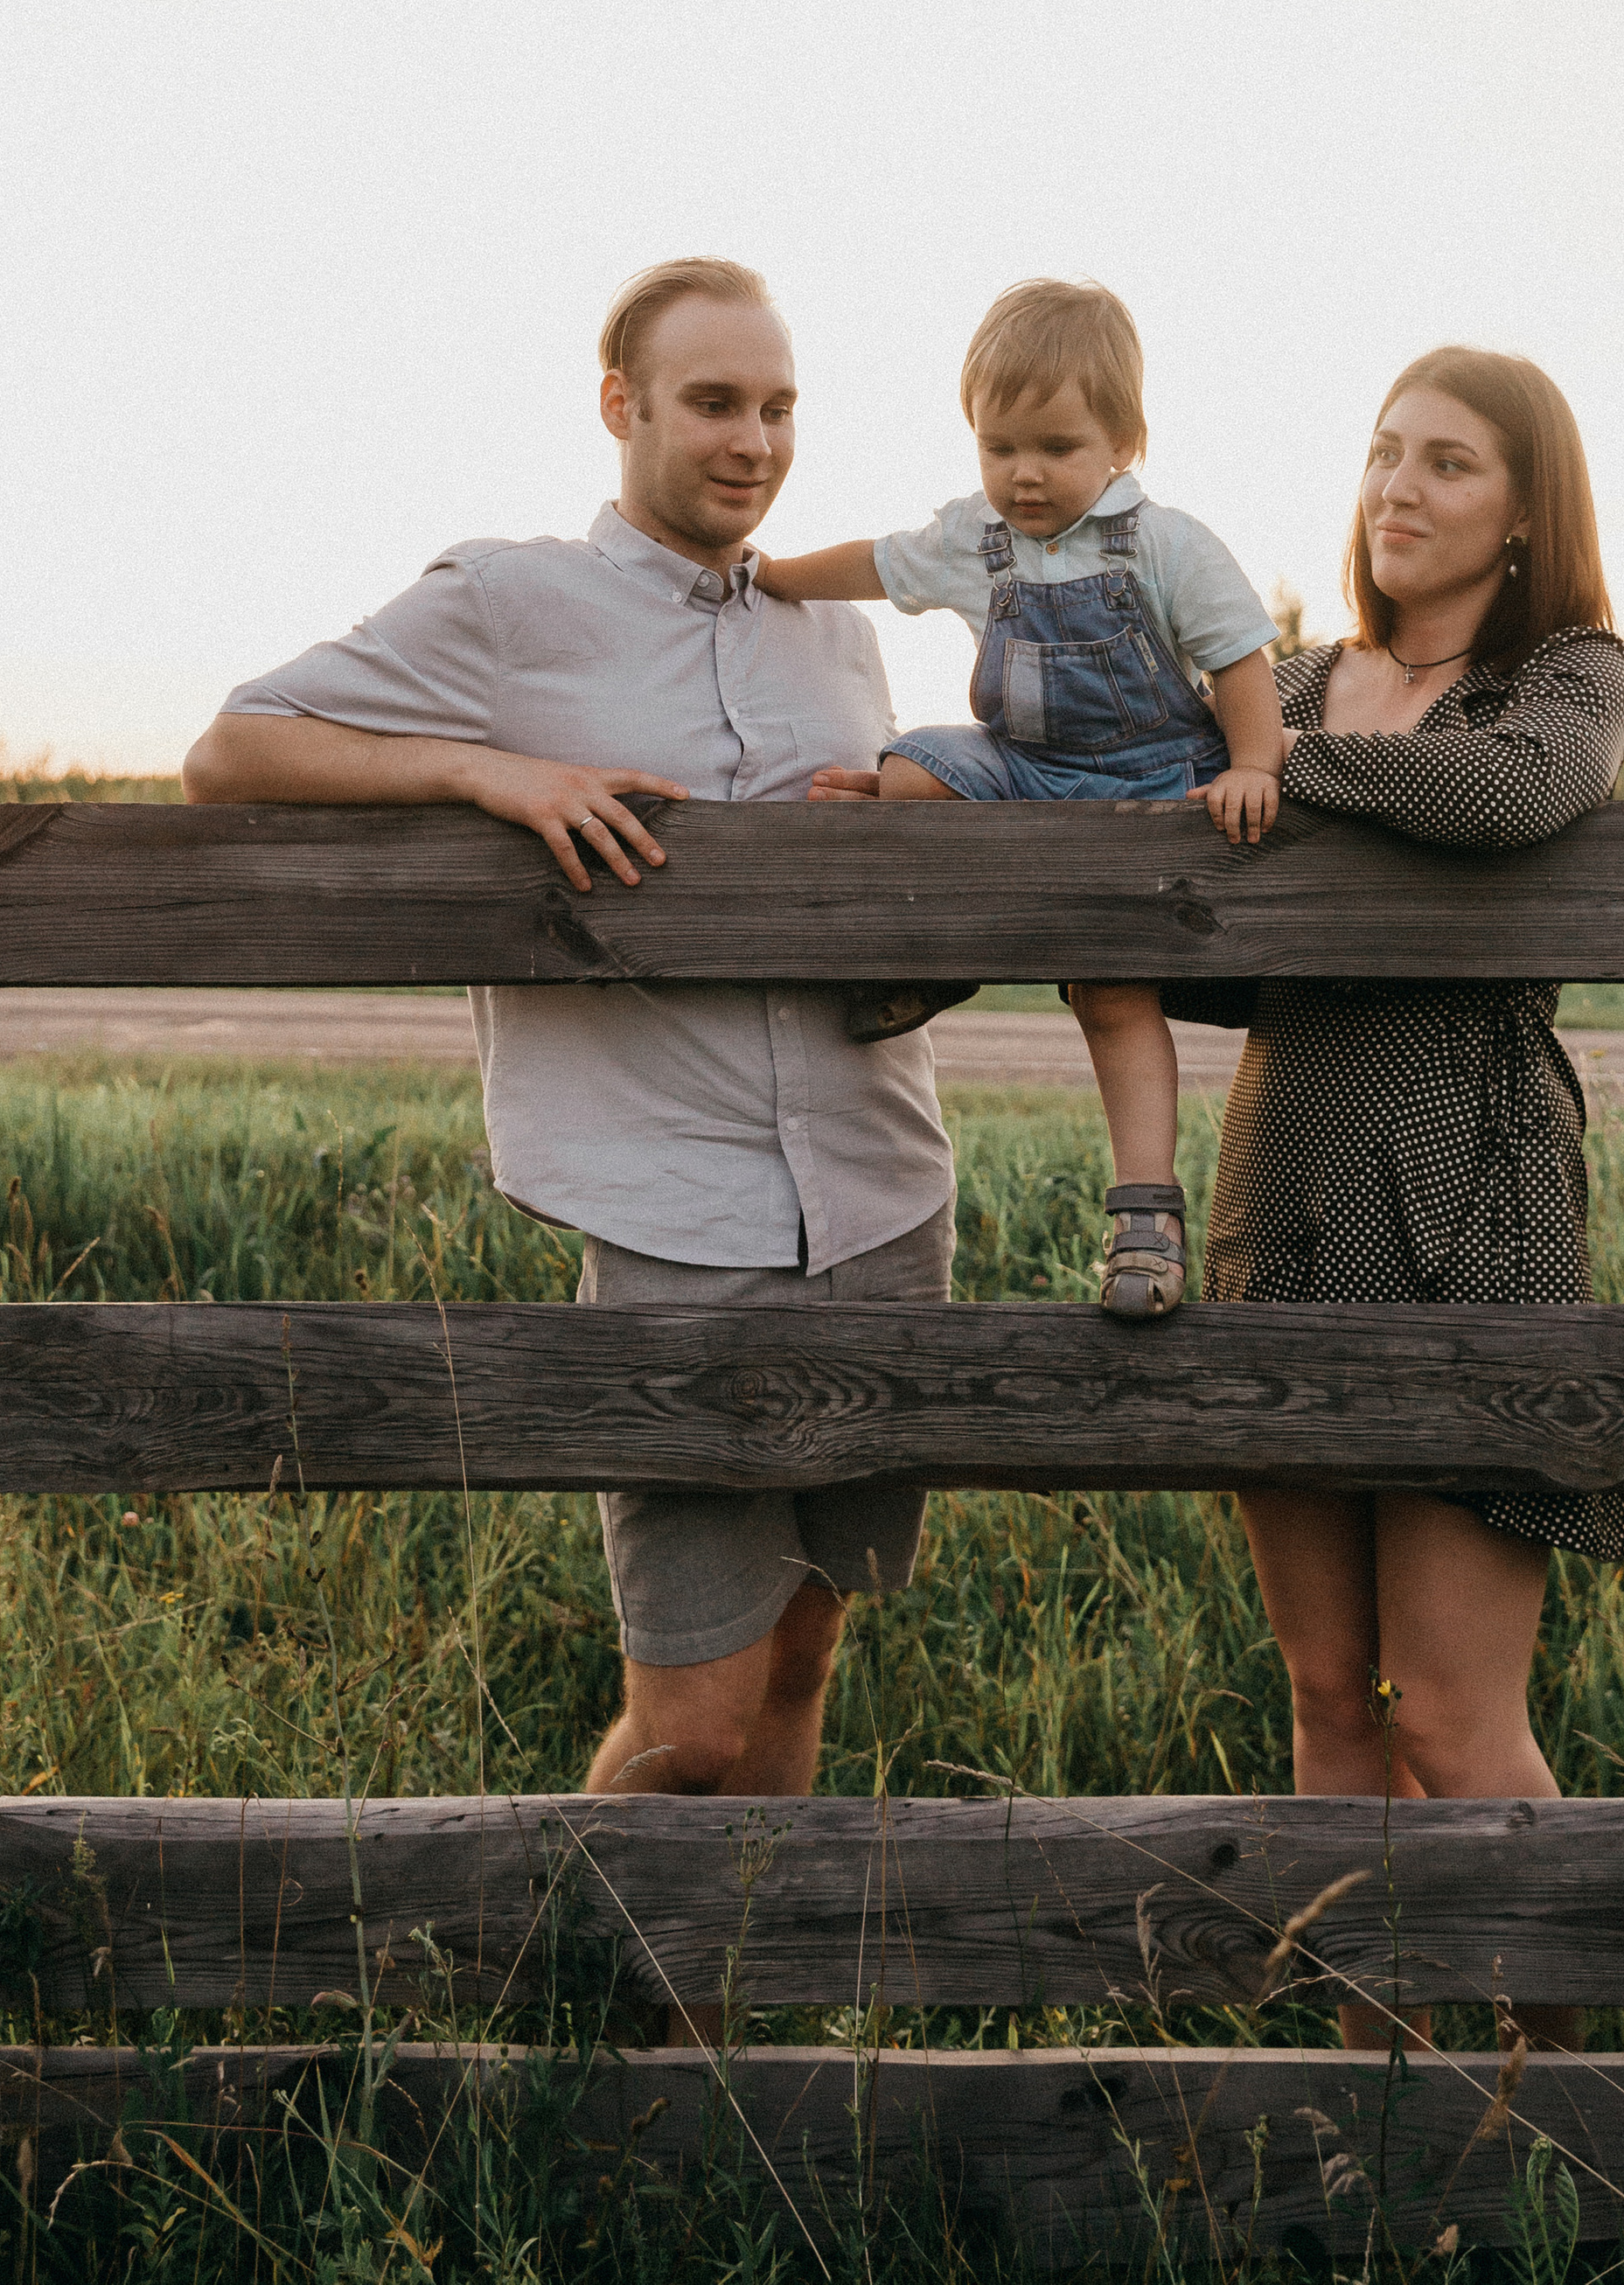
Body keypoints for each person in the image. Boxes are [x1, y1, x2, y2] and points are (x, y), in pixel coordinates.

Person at [181, 255, 958, 1839]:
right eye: (715, 404)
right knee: (695, 1731)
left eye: (781, 407)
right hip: (674, 1215)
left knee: (807, 1663)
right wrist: (488, 774)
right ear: (623, 406)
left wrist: (905, 818)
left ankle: (722, 2046)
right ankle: (589, 2038)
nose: (754, 441)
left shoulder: (833, 627)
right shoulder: (508, 600)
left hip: (884, 1194)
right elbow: (234, 746)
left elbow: (895, 865)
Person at [1194, 345, 1624, 2052]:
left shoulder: (1562, 675)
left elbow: (1516, 795)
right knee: (1325, 1701)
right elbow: (1157, 856)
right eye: (1384, 453)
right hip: (1286, 1196)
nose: (1398, 487)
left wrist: (1281, 781)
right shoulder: (1291, 678)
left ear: (1523, 513)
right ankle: (1375, 2109)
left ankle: (1560, 2105)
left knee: (1449, 1719)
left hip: (1470, 1211)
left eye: (1447, 463)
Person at [758, 277, 1285, 1320]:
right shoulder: (975, 541)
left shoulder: (1165, 544)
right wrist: (769, 576)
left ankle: (1145, 1212)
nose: (1023, 475)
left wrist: (1254, 765)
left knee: (1112, 993)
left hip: (1147, 784)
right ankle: (948, 961)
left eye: (1054, 447)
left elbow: (1240, 659)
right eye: (999, 448)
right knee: (908, 772)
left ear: (1123, 440)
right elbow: (873, 562)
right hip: (1028, 771)